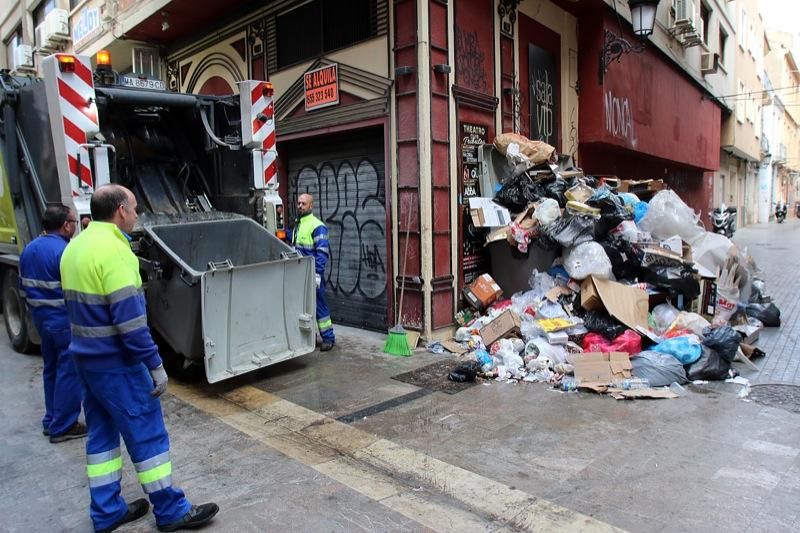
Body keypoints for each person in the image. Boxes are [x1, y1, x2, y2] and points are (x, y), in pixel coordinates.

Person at [60, 184, 218, 533]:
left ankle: (106, 511)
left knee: (101, 437)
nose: (136, 214)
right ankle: (171, 510)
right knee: (147, 435)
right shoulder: (116, 253)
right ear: (120, 211)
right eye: (134, 208)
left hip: (86, 361)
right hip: (118, 363)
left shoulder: (74, 248)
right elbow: (131, 325)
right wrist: (155, 364)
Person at [19, 204, 86, 443]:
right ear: (66, 225)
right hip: (63, 321)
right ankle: (64, 425)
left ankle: (51, 419)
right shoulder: (65, 252)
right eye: (74, 223)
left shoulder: (29, 249)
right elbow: (76, 292)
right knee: (69, 371)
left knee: (52, 369)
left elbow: (23, 289)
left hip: (41, 319)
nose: (75, 226)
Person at [292, 193, 335, 351]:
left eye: (303, 204)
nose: (300, 206)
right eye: (298, 203)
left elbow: (322, 254)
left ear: (311, 206)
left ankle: (329, 338)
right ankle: (311, 338)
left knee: (319, 307)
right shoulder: (299, 224)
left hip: (312, 275)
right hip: (300, 274)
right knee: (305, 308)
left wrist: (317, 275)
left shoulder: (317, 226)